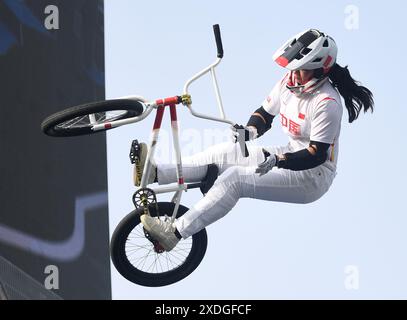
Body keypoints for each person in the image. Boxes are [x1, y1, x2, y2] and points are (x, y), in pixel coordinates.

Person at [138, 28, 374, 251]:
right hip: (289, 152)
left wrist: (278, 160)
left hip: (312, 176)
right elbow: (264, 114)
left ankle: (173, 233)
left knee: (235, 179)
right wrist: (249, 131)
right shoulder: (288, 82)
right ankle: (156, 173)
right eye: (294, 68)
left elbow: (316, 155)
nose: (295, 75)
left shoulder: (327, 103)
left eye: (302, 70)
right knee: (226, 153)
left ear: (321, 70)